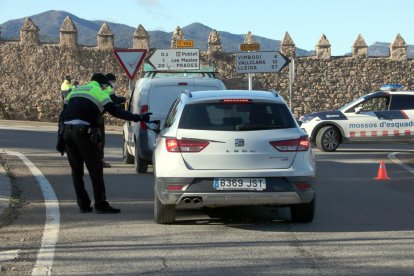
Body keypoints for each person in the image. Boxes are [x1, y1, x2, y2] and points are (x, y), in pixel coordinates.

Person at [57, 73, 151, 214]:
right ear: (103, 84)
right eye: (106, 85)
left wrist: (60, 139)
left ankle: (83, 205)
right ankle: (100, 204)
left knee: (76, 171)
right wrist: (139, 117)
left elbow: (62, 114)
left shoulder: (76, 90)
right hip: (83, 132)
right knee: (95, 169)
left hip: (67, 132)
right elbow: (115, 111)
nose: (107, 87)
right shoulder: (99, 91)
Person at [98, 73, 127, 168]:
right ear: (109, 81)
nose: (114, 84)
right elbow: (113, 99)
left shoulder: (94, 87)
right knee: (100, 139)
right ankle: (99, 160)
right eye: (113, 82)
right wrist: (125, 99)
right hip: (96, 116)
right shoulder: (107, 87)